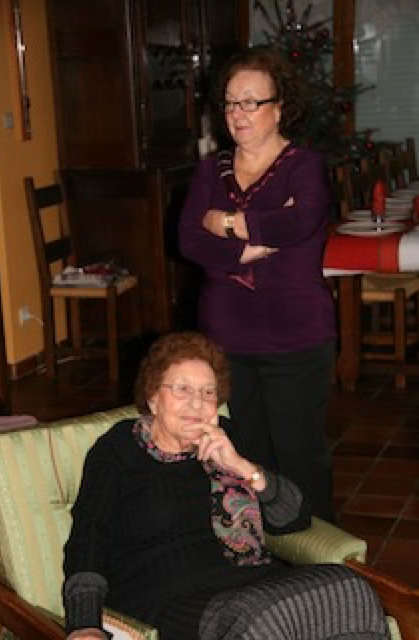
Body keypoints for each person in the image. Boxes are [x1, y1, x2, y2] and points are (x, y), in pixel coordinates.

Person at [63, 331, 389, 640]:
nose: (197, 403)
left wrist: (242, 467)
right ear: (152, 397)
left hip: (252, 583)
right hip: (168, 597)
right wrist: (84, 624)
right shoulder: (119, 449)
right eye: (182, 389)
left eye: (208, 393)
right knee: (261, 618)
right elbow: (88, 539)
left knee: (351, 588)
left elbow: (295, 519)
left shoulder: (227, 439)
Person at [178, 47, 337, 521]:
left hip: (296, 337)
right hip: (226, 338)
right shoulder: (211, 170)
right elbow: (188, 239)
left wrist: (223, 222)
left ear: (279, 108)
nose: (237, 114)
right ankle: (255, 551)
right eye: (230, 103)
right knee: (241, 456)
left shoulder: (304, 166)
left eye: (251, 102)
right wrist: (242, 249)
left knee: (300, 458)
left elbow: (300, 222)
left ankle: (316, 554)